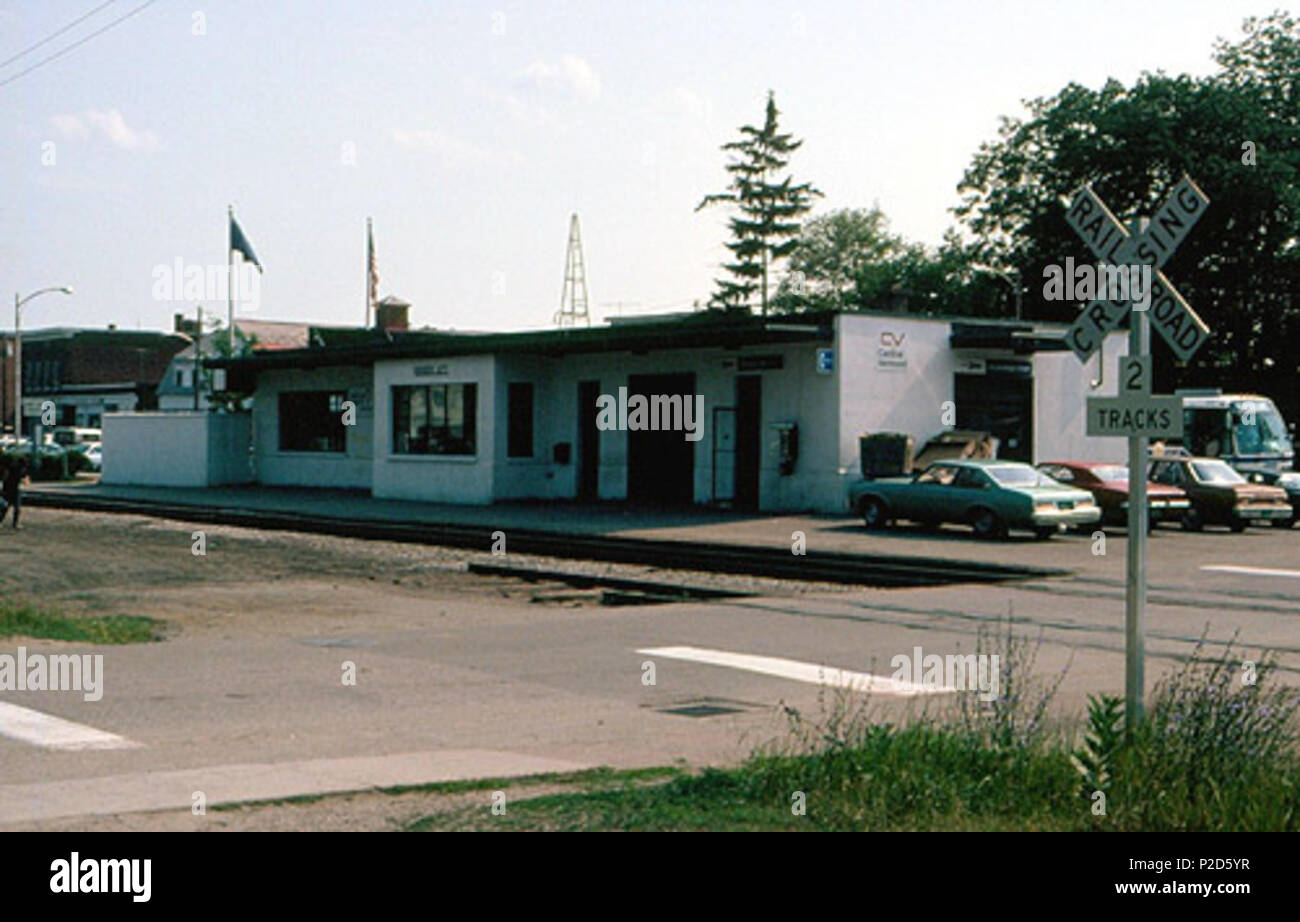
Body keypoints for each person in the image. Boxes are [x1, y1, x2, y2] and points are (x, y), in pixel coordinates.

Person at [1, 455, 27, 529]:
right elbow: (25, 481)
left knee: (5, 507)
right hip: (15, 490)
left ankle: (0, 521)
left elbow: (5, 477)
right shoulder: (22, 470)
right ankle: (15, 523)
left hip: (8, 488)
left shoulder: (11, 468)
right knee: (17, 508)